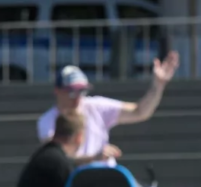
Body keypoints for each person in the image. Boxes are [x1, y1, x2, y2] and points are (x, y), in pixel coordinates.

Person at [38, 54, 179, 166]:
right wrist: (96, 157)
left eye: (82, 91)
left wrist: (158, 85)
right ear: (57, 91)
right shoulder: (47, 121)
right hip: (75, 183)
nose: (77, 98)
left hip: (107, 178)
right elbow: (59, 161)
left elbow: (140, 112)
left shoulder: (95, 106)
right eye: (71, 92)